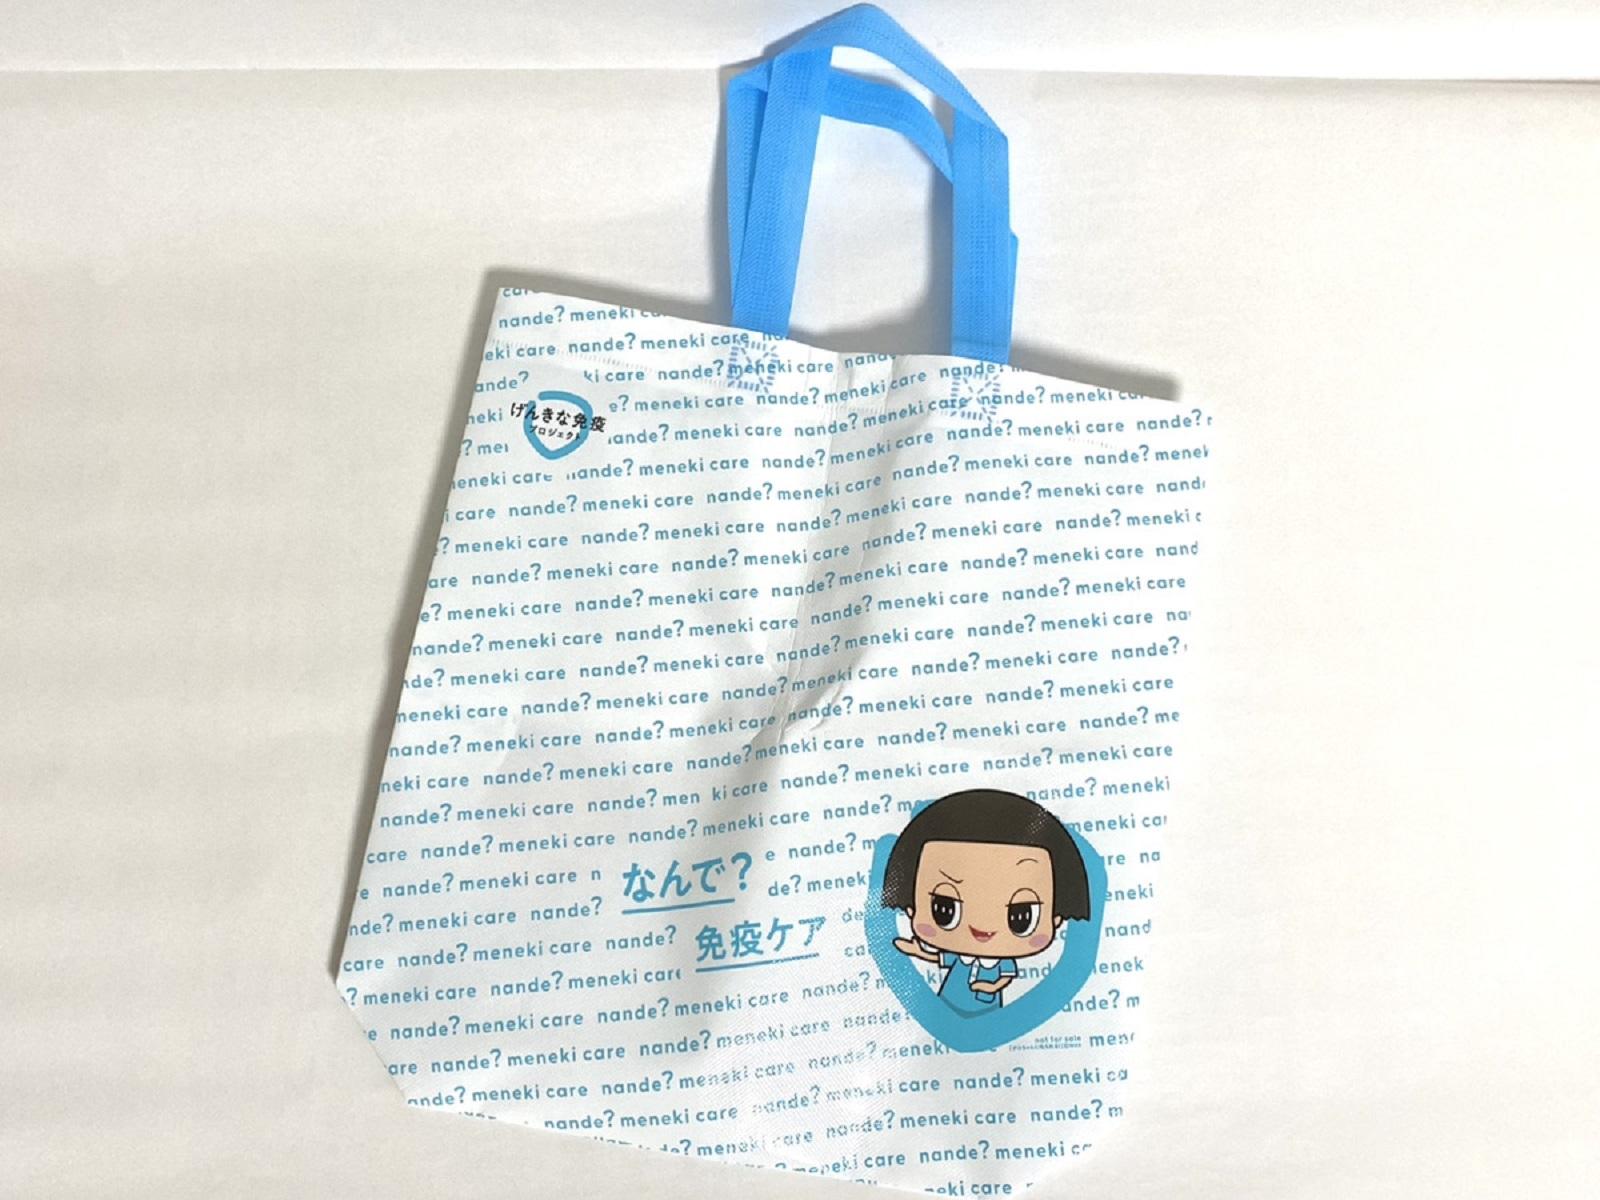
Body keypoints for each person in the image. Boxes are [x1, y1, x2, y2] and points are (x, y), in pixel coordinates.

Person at [882, 788, 1090, 1014]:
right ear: (911, 906)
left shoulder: (1000, 962)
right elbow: (938, 957)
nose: (982, 926)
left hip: (986, 1005)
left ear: (1056, 918)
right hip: (949, 999)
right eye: (944, 909)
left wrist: (992, 987)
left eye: (1020, 917)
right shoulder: (961, 957)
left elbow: (1005, 978)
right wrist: (918, 951)